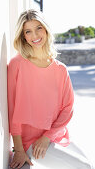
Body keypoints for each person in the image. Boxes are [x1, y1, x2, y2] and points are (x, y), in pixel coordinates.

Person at [7, 9, 93, 169]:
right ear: (23, 36)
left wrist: (47, 136)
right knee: (84, 167)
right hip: (30, 142)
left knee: (88, 164)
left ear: (46, 29)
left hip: (54, 136)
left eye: (38, 28)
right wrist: (18, 148)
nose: (35, 35)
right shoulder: (17, 64)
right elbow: (12, 110)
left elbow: (68, 109)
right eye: (28, 31)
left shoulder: (60, 69)